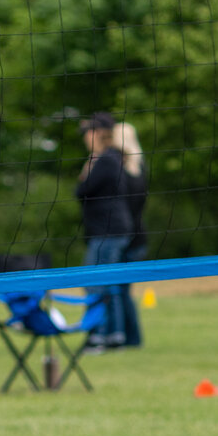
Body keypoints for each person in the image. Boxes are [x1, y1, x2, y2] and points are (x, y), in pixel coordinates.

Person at [74, 112, 132, 348]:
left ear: (97, 133)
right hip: (109, 230)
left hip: (108, 231)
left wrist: (88, 167)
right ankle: (114, 335)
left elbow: (82, 190)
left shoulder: (105, 160)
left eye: (88, 132)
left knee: (95, 283)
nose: (85, 137)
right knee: (108, 283)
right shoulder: (113, 158)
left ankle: (99, 335)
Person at [110, 121, 146, 348]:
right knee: (124, 290)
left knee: (118, 289)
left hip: (127, 238)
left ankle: (122, 337)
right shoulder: (141, 167)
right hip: (139, 236)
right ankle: (132, 338)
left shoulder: (119, 170)